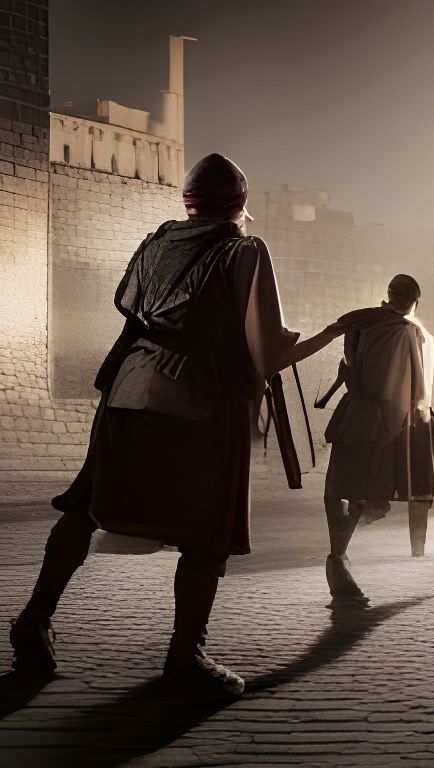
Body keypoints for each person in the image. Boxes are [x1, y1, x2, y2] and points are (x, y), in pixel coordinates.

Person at [7, 154, 343, 697]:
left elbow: (139, 313)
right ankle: (185, 656)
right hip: (200, 399)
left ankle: (34, 618)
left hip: (130, 385)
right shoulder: (244, 249)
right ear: (239, 206)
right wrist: (328, 333)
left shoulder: (158, 241)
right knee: (208, 527)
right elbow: (268, 349)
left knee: (86, 505)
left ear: (189, 202)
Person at [320, 274, 434, 609]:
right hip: (384, 418)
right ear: (415, 300)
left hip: (354, 411)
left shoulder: (359, 322)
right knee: (360, 489)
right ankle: (338, 558)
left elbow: (346, 367)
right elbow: (417, 387)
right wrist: (422, 417)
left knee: (340, 487)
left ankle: (338, 556)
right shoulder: (410, 332)